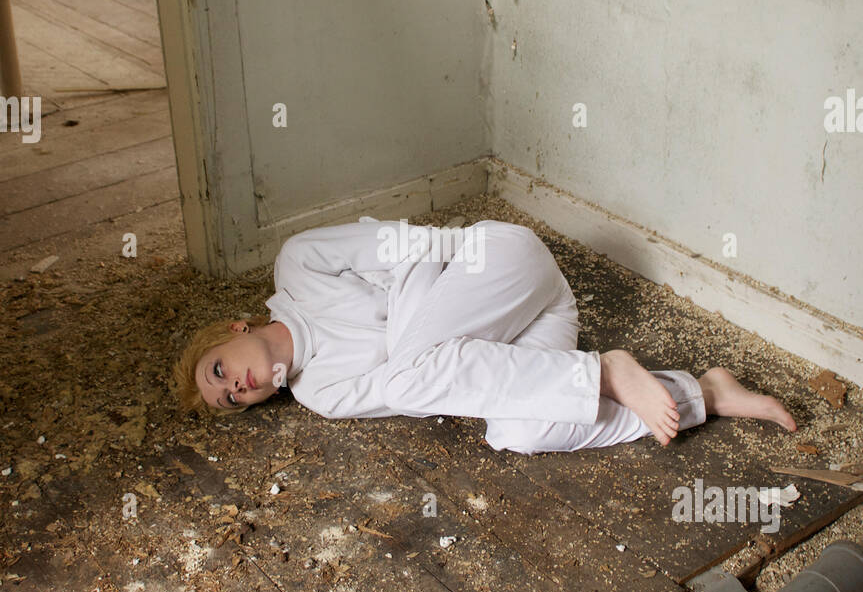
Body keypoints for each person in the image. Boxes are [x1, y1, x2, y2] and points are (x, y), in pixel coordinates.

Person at [174, 217, 796, 454]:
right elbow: (431, 388)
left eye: (219, 372)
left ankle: (606, 371)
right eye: (231, 399)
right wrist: (409, 304)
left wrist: (457, 264)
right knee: (519, 429)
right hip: (541, 317)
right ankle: (705, 393)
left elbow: (414, 244)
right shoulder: (323, 394)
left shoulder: (298, 265)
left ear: (232, 331)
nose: (237, 387)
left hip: (496, 262)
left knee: (416, 366)